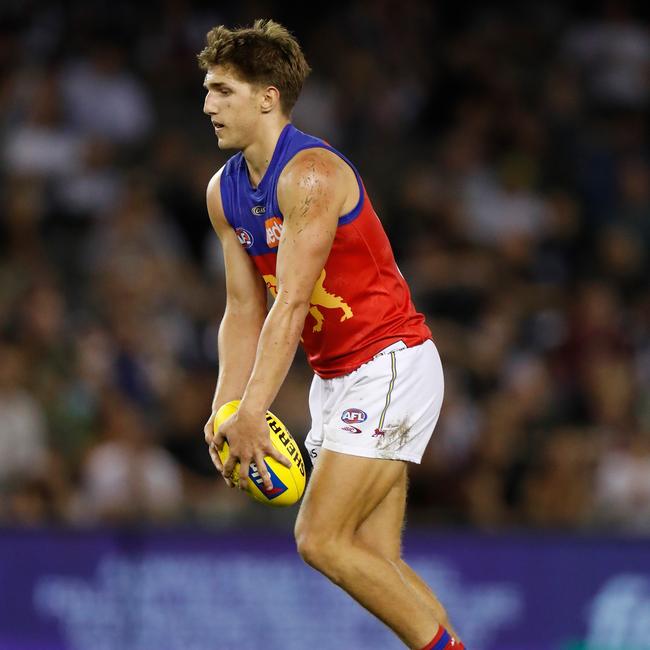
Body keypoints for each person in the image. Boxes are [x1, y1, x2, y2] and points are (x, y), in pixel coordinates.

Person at [199, 19, 464, 650]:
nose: (207, 105)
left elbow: (289, 304)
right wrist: (226, 409)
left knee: (319, 539)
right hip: (337, 380)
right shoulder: (223, 191)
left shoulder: (311, 175)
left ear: (267, 97)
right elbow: (242, 307)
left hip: (389, 364)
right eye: (207, 91)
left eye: (221, 90)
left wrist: (257, 410)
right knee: (372, 557)